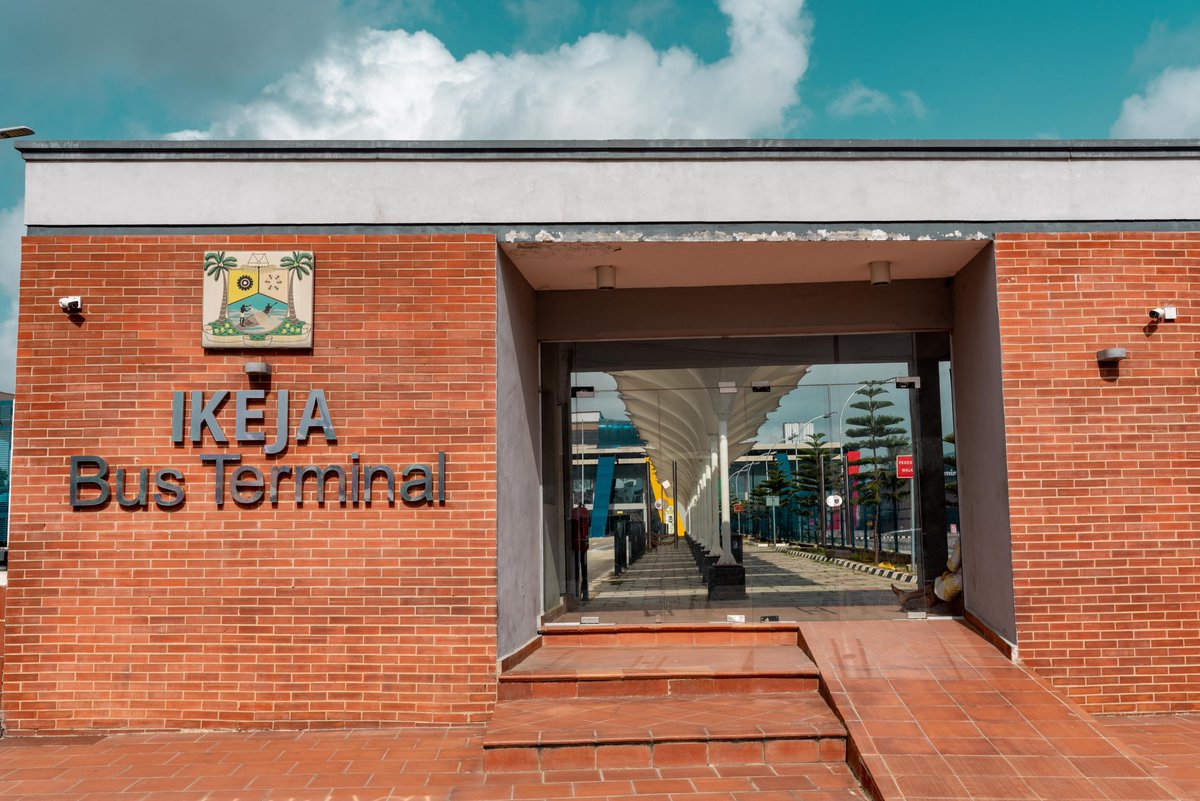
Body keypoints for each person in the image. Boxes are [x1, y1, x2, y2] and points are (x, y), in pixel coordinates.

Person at [892, 540, 963, 614]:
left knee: (932, 596)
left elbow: (952, 565)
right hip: (957, 578)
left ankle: (908, 605)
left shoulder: (962, 542)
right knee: (932, 587)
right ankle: (906, 596)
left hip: (957, 580)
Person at [571, 503, 590, 602]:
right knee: (583, 568)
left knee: (577, 570)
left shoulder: (576, 514)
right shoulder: (583, 514)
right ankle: (583, 592)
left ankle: (578, 592)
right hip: (582, 544)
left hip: (579, 545)